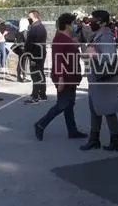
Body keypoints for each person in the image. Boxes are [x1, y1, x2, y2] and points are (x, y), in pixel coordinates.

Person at [33, 13, 88, 141]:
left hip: (72, 76)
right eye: (73, 23)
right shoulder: (59, 39)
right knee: (62, 104)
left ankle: (72, 131)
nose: (74, 26)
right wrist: (61, 79)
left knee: (69, 105)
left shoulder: (67, 38)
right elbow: (58, 60)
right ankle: (41, 124)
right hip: (65, 77)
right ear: (67, 25)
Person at [80, 10, 118, 152]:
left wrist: (93, 54)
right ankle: (94, 139)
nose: (91, 22)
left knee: (108, 109)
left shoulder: (105, 36)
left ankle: (115, 141)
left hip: (104, 80)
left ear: (103, 22)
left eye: (94, 19)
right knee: (95, 108)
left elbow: (109, 58)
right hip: (97, 79)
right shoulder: (99, 35)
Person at [24, 10, 48, 104]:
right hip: (37, 54)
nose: (28, 19)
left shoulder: (38, 27)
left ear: (34, 17)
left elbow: (36, 44)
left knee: (36, 75)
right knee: (39, 74)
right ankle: (42, 95)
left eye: (29, 17)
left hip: (36, 55)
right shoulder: (37, 26)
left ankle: (36, 96)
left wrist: (33, 58)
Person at [16, 16, 31, 82]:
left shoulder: (18, 31)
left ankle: (18, 76)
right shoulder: (25, 32)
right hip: (24, 49)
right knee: (24, 63)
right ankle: (24, 77)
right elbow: (27, 41)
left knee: (20, 62)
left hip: (19, 48)